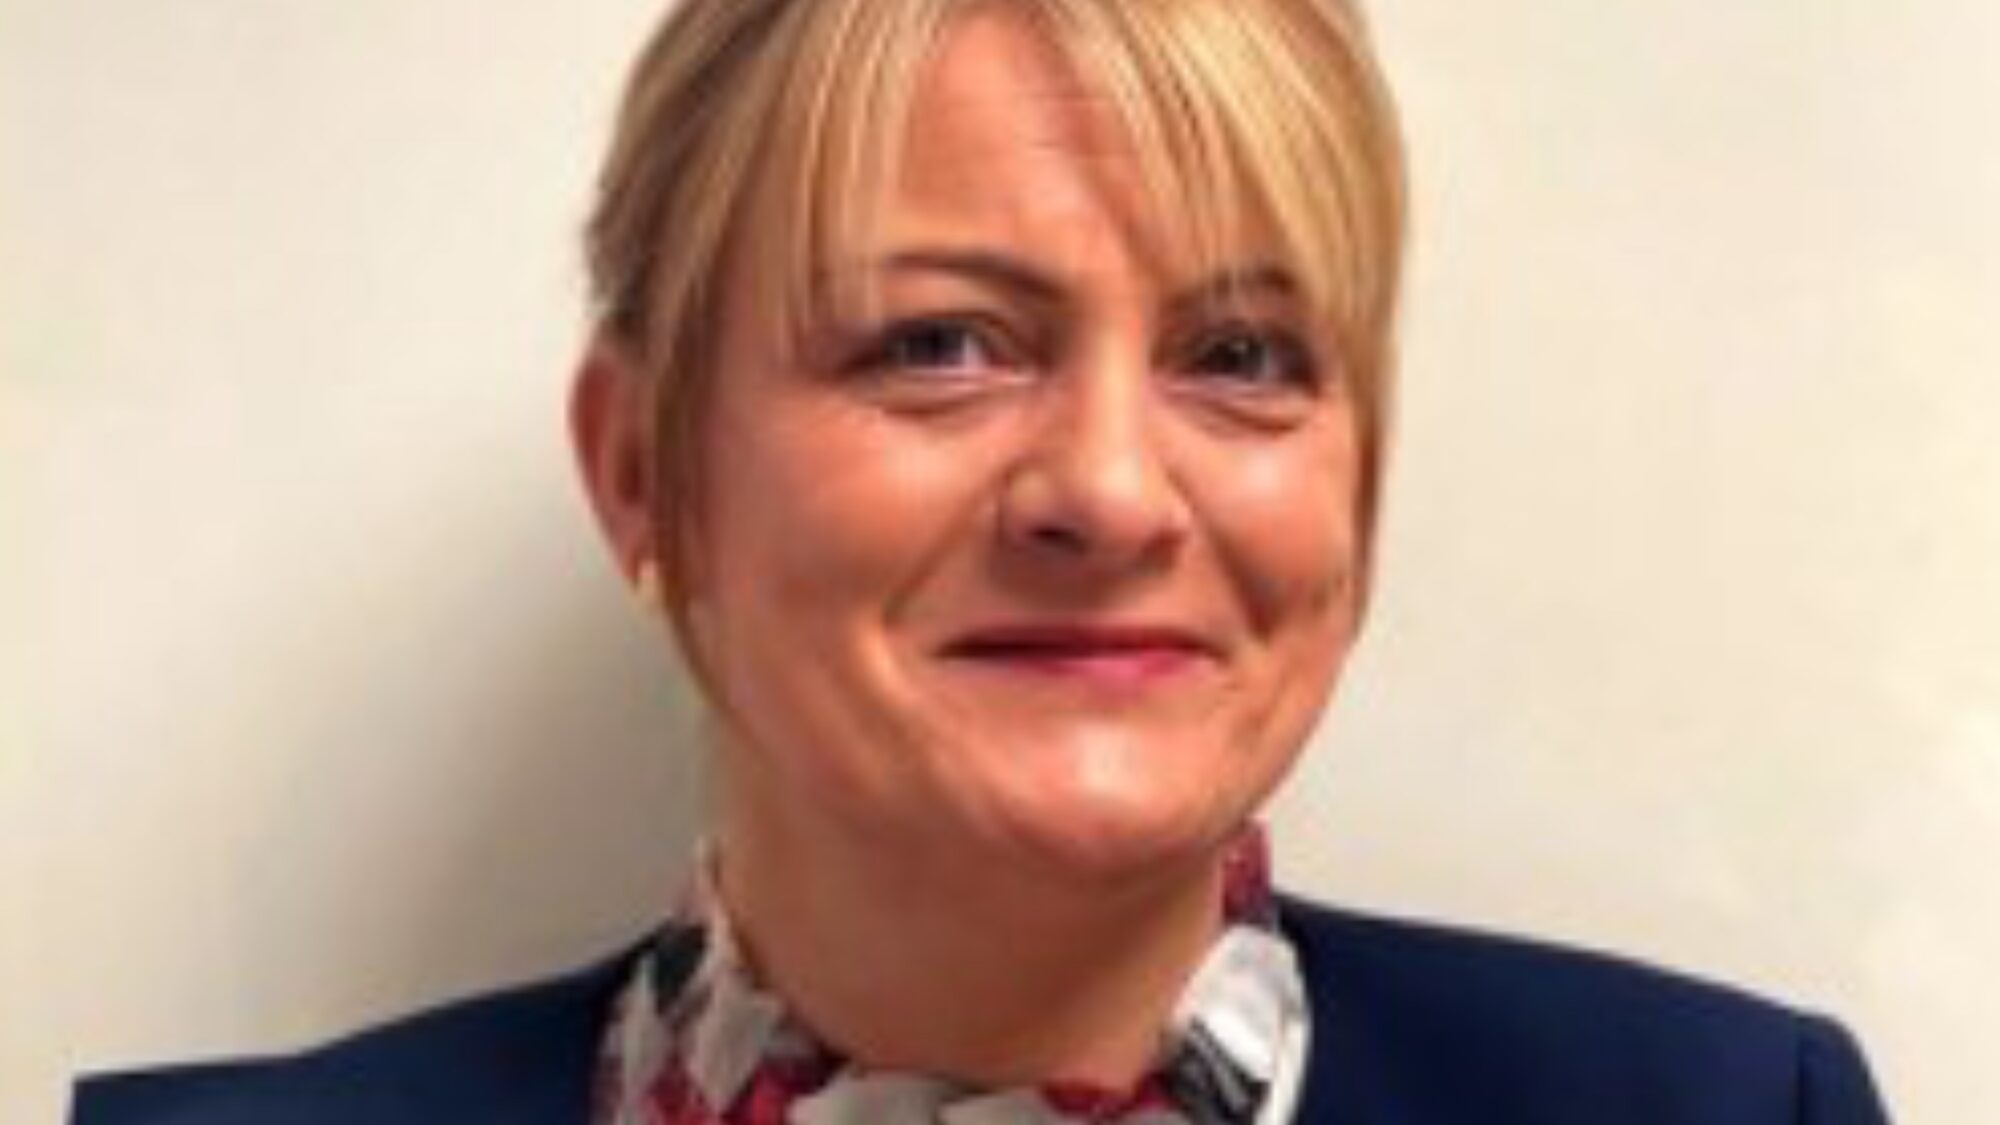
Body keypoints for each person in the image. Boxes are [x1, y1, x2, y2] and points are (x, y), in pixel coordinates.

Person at [71, 0, 1894, 1122]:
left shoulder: (1730, 1110)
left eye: (1242, 354)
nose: (1108, 490)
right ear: (644, 475)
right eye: (939, 343)